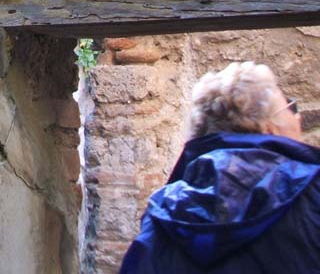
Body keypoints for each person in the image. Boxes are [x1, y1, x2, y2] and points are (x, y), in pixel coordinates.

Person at [120, 61, 320, 273]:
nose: (298, 117)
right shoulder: (312, 192)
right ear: (270, 129)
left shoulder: (163, 215)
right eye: (290, 108)